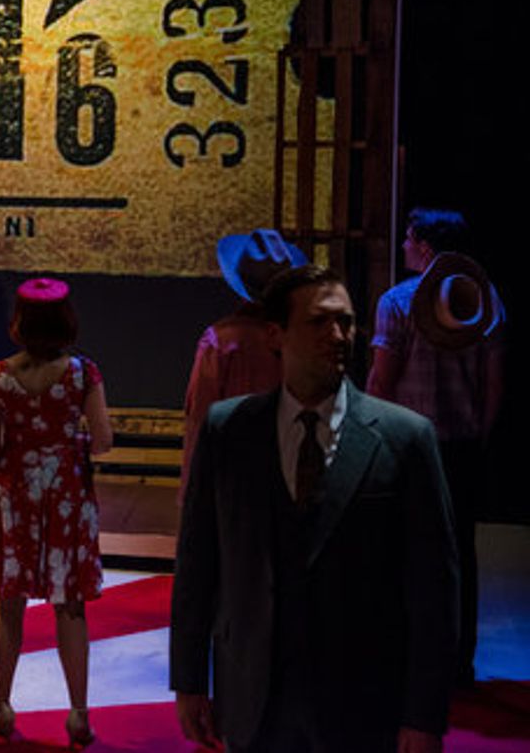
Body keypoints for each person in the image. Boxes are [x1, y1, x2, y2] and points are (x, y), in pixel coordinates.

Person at [171, 265, 458, 753]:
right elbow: (199, 562)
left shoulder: (405, 438)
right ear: (275, 335)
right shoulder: (229, 430)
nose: (339, 335)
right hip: (254, 697)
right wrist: (190, 679)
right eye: (319, 322)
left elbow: (435, 588)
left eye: (346, 322)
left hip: (363, 701)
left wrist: (424, 714)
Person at [366, 208, 504, 686]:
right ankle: (458, 662)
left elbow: (383, 379)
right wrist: (479, 435)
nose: (404, 245)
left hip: (407, 446)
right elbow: (493, 383)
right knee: (459, 554)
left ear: (425, 246)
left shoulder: (398, 302)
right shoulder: (485, 299)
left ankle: (403, 657)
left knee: (402, 551)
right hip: (462, 447)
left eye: (408, 238)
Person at [0, 277, 113, 746]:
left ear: (18, 323)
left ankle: (2, 709)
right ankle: (78, 714)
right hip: (66, 496)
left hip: (12, 494)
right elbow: (103, 441)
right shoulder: (83, 374)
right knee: (69, 606)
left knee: (8, 606)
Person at [180, 229, 305, 500]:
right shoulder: (303, 337)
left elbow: (200, 419)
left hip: (234, 477)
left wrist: (192, 492)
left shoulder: (221, 342)